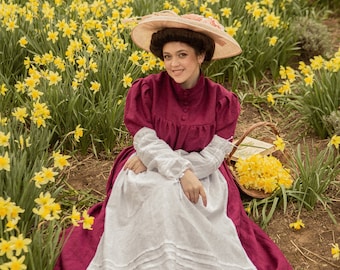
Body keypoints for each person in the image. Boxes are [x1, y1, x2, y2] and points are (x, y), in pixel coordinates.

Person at [55, 10, 292, 270]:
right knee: (158, 191)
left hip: (202, 171)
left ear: (201, 56)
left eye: (182, 55)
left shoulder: (223, 100)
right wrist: (172, 167)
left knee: (184, 197)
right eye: (167, 56)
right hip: (146, 163)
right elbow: (145, 140)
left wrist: (181, 171)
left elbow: (214, 156)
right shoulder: (147, 89)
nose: (173, 64)